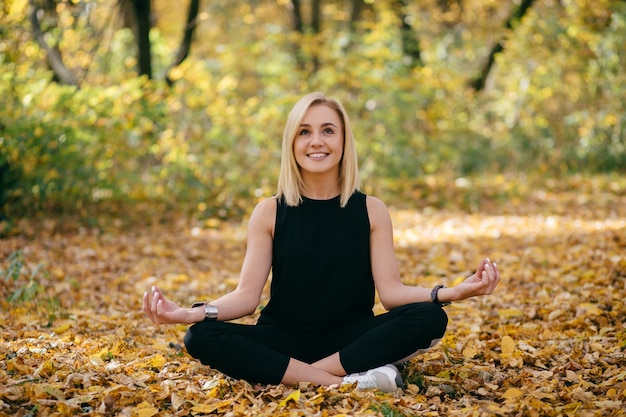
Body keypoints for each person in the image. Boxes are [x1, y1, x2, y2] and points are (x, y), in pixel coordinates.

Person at [143, 92, 501, 392]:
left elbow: (391, 294)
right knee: (199, 337)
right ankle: (347, 382)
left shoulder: (372, 210)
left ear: (343, 141)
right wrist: (190, 313)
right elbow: (246, 298)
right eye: (304, 132)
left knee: (428, 317)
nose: (316, 141)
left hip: (352, 338)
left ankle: (303, 375)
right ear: (292, 144)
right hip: (282, 337)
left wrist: (453, 292)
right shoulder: (269, 211)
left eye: (328, 130)